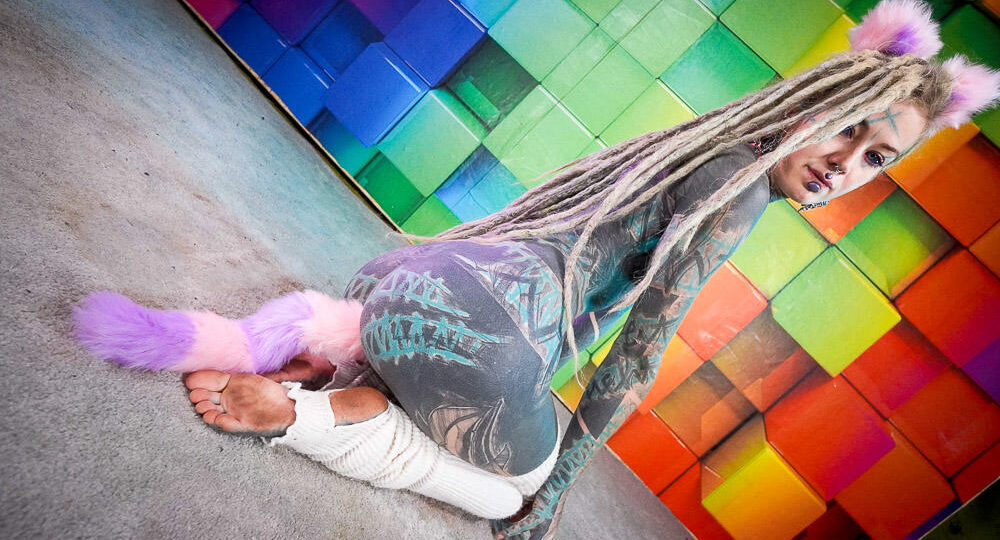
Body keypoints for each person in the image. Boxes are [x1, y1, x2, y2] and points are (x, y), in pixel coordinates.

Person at [73, 1, 999, 538]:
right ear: (808, 104)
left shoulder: (694, 147)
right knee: (511, 484)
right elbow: (638, 354)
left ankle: (344, 363)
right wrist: (553, 495)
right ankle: (318, 416)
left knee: (484, 385)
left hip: (400, 282)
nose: (847, 162)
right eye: (846, 128)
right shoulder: (738, 191)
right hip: (471, 340)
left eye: (877, 158)